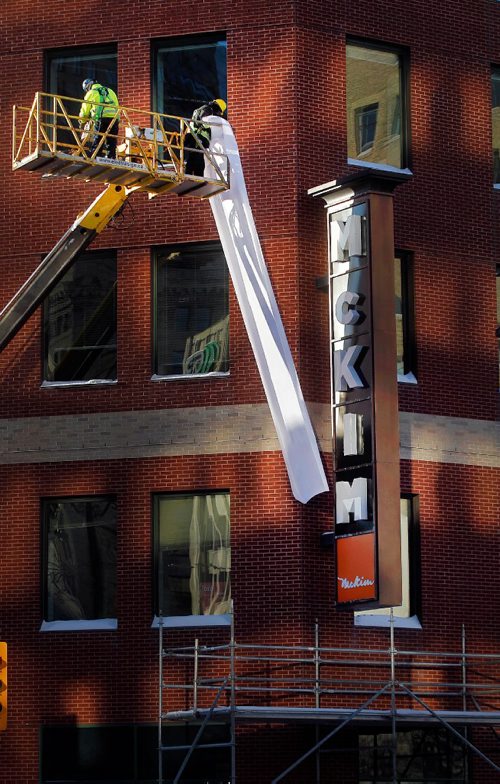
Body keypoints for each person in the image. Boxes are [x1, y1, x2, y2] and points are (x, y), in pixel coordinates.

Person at [184, 98, 226, 176]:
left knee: (193, 158)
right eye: (219, 112)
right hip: (198, 138)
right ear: (217, 108)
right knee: (198, 161)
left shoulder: (205, 109)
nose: (218, 114)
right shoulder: (207, 110)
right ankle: (194, 177)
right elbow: (202, 121)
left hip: (195, 138)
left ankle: (189, 175)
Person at [79, 78, 120, 158]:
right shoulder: (110, 91)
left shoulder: (91, 93)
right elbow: (117, 106)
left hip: (101, 118)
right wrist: (117, 120)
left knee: (98, 138)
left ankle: (96, 156)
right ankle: (111, 157)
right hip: (114, 119)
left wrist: (82, 122)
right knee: (111, 141)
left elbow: (84, 111)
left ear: (88, 87)